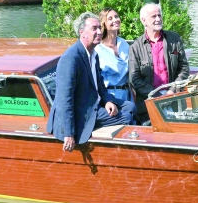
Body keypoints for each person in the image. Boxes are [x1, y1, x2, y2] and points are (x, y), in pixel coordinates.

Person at [47, 12, 136, 151]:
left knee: (130, 106)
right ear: (82, 32)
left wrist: (107, 101)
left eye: (100, 28)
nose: (100, 32)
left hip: (92, 103)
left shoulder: (94, 54)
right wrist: (69, 134)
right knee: (125, 117)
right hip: (81, 112)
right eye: (94, 29)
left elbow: (99, 86)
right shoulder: (71, 58)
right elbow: (64, 98)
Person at [128, 3, 190, 122]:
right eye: (154, 16)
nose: (158, 19)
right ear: (143, 20)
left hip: (174, 99)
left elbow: (184, 68)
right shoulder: (135, 47)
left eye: (159, 15)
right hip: (149, 104)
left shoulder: (174, 39)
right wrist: (156, 96)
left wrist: (172, 90)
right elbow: (134, 78)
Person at [96, 8, 131, 107]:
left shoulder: (124, 44)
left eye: (116, 16)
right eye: (110, 18)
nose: (115, 20)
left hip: (127, 95)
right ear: (104, 24)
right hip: (110, 97)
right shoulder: (98, 49)